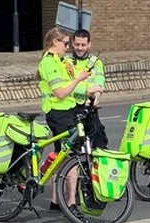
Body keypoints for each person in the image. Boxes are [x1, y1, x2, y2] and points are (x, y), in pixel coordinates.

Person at [38, 27, 91, 210]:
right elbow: (60, 93)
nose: (68, 47)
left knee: (61, 156)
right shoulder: (49, 63)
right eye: (66, 43)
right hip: (58, 113)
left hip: (67, 111)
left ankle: (55, 200)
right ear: (55, 42)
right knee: (73, 157)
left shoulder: (59, 61)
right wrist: (78, 79)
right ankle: (71, 202)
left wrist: (80, 81)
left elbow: (69, 87)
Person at [67, 28, 108, 149]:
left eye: (83, 45)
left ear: (89, 44)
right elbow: (67, 86)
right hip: (72, 108)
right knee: (74, 147)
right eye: (77, 44)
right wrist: (86, 90)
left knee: (100, 141)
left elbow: (99, 83)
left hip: (89, 108)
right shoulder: (67, 62)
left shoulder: (96, 62)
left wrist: (95, 96)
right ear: (73, 44)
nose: (80, 48)